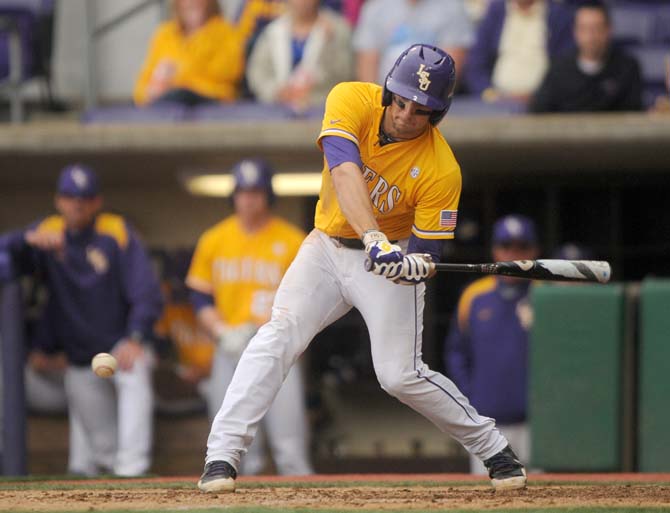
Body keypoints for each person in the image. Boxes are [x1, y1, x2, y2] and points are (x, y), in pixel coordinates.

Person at [196, 43, 526, 493]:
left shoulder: (441, 168)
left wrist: (411, 266)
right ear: (389, 89)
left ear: (438, 114)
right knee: (278, 334)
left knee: (398, 375)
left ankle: (493, 448)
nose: (407, 114)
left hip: (387, 264)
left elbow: (430, 255)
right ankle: (222, 454)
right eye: (403, 100)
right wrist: (374, 237)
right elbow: (345, 171)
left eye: (422, 109)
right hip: (327, 248)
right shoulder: (350, 98)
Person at [0, 164, 163, 476]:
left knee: (136, 368)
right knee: (102, 444)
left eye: (85, 197)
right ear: (59, 200)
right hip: (78, 359)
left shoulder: (115, 230)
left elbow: (147, 293)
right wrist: (28, 239)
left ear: (97, 201)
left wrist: (136, 336)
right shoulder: (49, 229)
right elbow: (8, 252)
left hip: (120, 344)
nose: (78, 204)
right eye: (70, 197)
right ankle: (108, 471)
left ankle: (133, 472)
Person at [186, 158, 313, 476]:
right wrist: (219, 330)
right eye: (243, 191)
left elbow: (308, 298)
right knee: (232, 442)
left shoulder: (292, 239)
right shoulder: (215, 239)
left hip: (276, 345)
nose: (249, 199)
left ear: (268, 195)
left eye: (256, 192)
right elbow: (200, 294)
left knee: (290, 444)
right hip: (229, 346)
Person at [444, 214, 540, 475]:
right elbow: (456, 353)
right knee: (490, 495)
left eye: (521, 247)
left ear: (533, 251)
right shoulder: (474, 295)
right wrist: (471, 399)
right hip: (487, 424)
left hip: (539, 423)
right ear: (496, 250)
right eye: (506, 246)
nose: (513, 254)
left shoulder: (545, 294)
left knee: (543, 498)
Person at [529, 0, 642, 113]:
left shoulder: (627, 68)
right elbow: (538, 111)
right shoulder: (558, 69)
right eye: (584, 28)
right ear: (575, 31)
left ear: (608, 30)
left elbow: (634, 117)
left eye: (597, 28)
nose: (590, 36)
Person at [246, 0, 354, 112]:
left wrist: (332, 44)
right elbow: (257, 73)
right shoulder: (273, 31)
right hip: (276, 110)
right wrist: (277, 92)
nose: (302, 2)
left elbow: (345, 74)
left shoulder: (337, 29)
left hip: (322, 109)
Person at [133, 0, 245, 106]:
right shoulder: (164, 34)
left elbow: (230, 71)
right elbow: (144, 82)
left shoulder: (225, 32)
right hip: (168, 100)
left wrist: (177, 73)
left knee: (180, 95)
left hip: (211, 98)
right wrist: (149, 92)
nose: (192, 2)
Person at [464, 0, 575, 103]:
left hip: (543, 103)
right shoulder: (496, 10)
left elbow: (565, 66)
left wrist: (540, 97)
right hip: (496, 102)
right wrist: (490, 94)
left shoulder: (558, 14)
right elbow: (476, 63)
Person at [353, 0, 474, 86]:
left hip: (431, 97)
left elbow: (450, 70)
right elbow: (367, 67)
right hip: (384, 95)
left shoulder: (452, 6)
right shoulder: (375, 7)